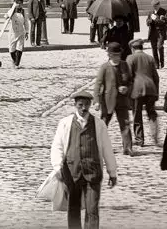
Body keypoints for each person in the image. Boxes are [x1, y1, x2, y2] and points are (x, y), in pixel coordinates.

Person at [50, 89, 118, 229]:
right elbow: (57, 146)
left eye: (86, 105)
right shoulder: (65, 123)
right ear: (75, 105)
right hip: (72, 173)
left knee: (92, 210)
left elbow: (107, 149)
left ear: (90, 105)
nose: (83, 108)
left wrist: (112, 172)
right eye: (80, 105)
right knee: (73, 209)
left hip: (92, 173)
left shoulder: (99, 125)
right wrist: (57, 167)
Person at [93, 41, 134, 155]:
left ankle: (128, 148)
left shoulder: (124, 65)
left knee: (125, 123)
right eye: (114, 55)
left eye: (118, 55)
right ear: (109, 55)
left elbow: (130, 81)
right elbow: (98, 84)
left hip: (122, 101)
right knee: (103, 124)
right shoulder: (105, 67)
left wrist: (126, 88)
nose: (117, 57)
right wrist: (96, 101)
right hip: (107, 101)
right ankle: (98, 147)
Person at [127, 39, 160, 146]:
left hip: (137, 90)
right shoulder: (150, 58)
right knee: (151, 113)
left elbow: (128, 76)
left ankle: (139, 139)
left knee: (137, 114)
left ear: (132, 48)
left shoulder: (131, 58)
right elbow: (156, 77)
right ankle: (155, 136)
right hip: (151, 89)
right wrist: (156, 92)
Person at [146, 0, 167, 68]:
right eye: (153, 6)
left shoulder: (164, 11)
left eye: (156, 6)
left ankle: (162, 62)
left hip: (160, 32)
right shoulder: (151, 12)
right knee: (154, 48)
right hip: (152, 32)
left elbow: (164, 22)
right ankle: (156, 63)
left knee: (160, 47)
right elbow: (147, 22)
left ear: (159, 5)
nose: (154, 7)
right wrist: (150, 21)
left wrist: (156, 19)